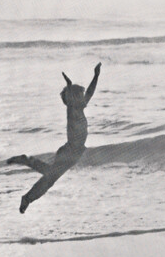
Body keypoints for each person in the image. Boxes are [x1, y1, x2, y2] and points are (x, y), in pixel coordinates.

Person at [7, 62, 101, 213]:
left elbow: (90, 92)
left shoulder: (80, 108)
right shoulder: (73, 110)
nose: (84, 97)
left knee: (49, 176)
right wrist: (69, 85)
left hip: (74, 152)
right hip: (70, 152)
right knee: (49, 179)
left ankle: (27, 165)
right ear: (74, 98)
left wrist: (96, 75)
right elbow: (74, 99)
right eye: (80, 96)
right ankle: (27, 194)